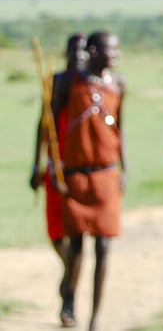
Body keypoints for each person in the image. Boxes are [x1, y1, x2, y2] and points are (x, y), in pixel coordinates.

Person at [54, 31, 126, 331]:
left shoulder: (118, 84)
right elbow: (50, 124)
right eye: (111, 49)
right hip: (75, 177)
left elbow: (120, 129)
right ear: (94, 51)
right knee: (76, 247)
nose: (115, 55)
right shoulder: (69, 82)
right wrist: (52, 166)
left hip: (107, 174)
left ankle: (96, 318)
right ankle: (69, 298)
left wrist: (125, 168)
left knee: (105, 247)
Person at [30, 33, 87, 263]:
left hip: (82, 166)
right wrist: (37, 164)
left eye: (84, 49)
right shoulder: (55, 81)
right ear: (66, 53)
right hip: (57, 164)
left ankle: (72, 278)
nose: (79, 55)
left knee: (77, 228)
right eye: (74, 49)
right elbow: (44, 125)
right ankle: (69, 269)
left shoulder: (91, 84)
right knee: (55, 228)